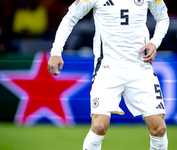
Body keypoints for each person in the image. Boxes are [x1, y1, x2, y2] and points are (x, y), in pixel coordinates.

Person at [48, 0, 170, 149]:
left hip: (140, 68)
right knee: (99, 126)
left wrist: (154, 42)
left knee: (159, 128)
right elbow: (70, 17)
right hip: (108, 69)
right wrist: (56, 52)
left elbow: (163, 18)